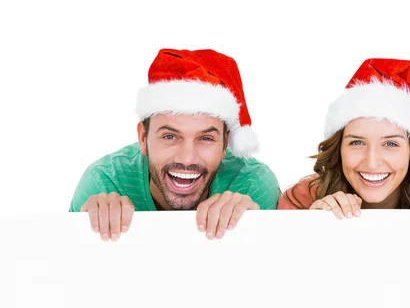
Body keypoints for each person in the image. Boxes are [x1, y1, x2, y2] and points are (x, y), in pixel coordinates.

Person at [70, 48, 280, 240]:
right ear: (143, 138)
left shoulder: (252, 185)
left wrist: (257, 229)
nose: (187, 158)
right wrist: (83, 234)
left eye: (206, 138)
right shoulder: (104, 182)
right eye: (170, 137)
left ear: (225, 143)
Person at [278, 58, 410, 218]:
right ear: (339, 149)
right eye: (357, 142)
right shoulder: (301, 199)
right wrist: (306, 227)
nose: (372, 162)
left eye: (390, 143)